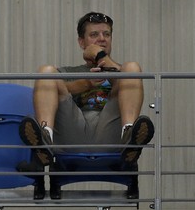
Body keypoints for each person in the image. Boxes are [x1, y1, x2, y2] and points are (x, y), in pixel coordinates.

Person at [19, 11, 154, 165]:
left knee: (132, 68)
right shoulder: (68, 71)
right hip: (72, 133)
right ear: (81, 42)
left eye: (106, 34)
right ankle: (44, 140)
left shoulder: (123, 70)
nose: (102, 38)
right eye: (94, 34)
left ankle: (129, 135)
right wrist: (86, 83)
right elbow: (57, 91)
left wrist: (100, 56)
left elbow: (128, 78)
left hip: (111, 134)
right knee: (46, 71)